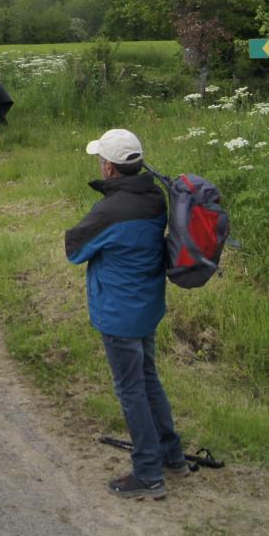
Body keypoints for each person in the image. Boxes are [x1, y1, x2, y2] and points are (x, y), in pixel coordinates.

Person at [65, 129, 187, 499]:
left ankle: (148, 473)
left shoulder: (109, 210)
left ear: (110, 167)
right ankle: (172, 454)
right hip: (147, 303)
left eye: (101, 160)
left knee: (131, 388)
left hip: (118, 310)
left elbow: (74, 249)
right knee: (148, 378)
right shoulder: (153, 197)